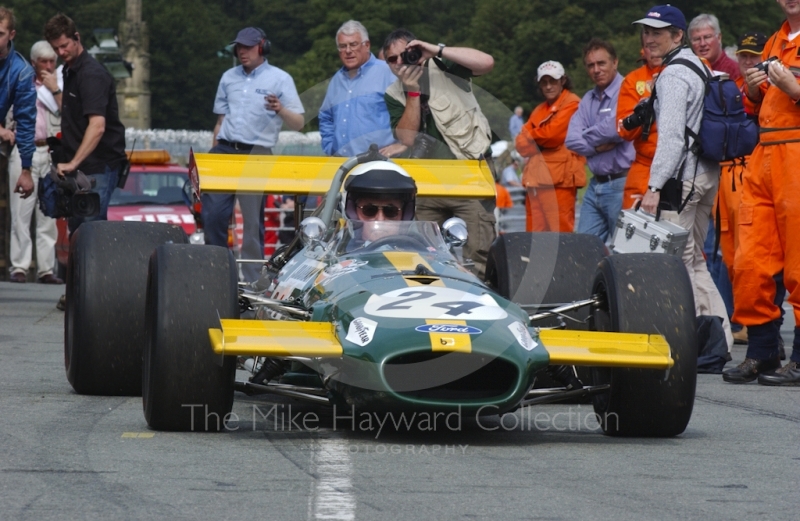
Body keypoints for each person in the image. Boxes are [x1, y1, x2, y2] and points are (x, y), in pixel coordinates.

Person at [634, 5, 734, 356]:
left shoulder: (674, 75)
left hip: (682, 181)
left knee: (678, 265)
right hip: (707, 173)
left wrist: (654, 186)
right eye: (646, 32)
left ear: (677, 35)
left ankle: (689, 342)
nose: (649, 38)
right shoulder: (699, 64)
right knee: (695, 260)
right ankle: (720, 338)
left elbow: (672, 139)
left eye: (657, 32)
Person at [724, 0, 800, 385]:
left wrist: (796, 89)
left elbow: (791, 94)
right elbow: (756, 106)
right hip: (764, 154)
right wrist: (754, 92)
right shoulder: (772, 41)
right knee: (749, 259)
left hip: (797, 152)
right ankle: (763, 351)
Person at [382, 29, 495, 277]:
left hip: (469, 171)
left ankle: (481, 305)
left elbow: (487, 63)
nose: (400, 62)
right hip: (427, 179)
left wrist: (436, 49)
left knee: (479, 251)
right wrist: (412, 91)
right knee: (423, 252)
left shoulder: (444, 66)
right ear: (386, 62)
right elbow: (407, 137)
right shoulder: (393, 93)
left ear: (416, 50)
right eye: (392, 59)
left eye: (406, 54)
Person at [204, 27, 304, 282]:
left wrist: (280, 108)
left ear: (262, 47)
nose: (241, 52)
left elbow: (299, 123)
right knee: (213, 216)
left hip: (258, 153)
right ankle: (215, 273)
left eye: (247, 47)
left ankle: (250, 281)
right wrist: (212, 154)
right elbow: (220, 121)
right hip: (225, 149)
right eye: (239, 47)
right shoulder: (228, 77)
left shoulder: (280, 79)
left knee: (251, 223)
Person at [44, 13, 126, 233]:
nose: (61, 53)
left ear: (77, 38)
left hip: (97, 164)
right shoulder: (70, 71)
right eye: (56, 49)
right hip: (80, 166)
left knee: (91, 232)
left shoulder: (91, 75)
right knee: (79, 233)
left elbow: (97, 126)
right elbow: (72, 113)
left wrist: (72, 163)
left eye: (64, 46)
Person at [566, 39, 634, 242]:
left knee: (624, 252)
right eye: (591, 65)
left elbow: (617, 128)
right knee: (582, 250)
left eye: (601, 63)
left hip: (622, 183)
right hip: (595, 185)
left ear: (615, 62)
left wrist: (587, 133)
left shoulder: (627, 90)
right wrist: (597, 146)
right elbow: (570, 139)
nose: (596, 70)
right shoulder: (588, 98)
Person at [7, 41, 63, 284]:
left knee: (49, 213)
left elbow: (70, 114)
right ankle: (19, 266)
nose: (49, 66)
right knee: (20, 212)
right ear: (34, 62)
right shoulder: (20, 82)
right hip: (23, 149)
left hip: (50, 151)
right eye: (44, 61)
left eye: (52, 61)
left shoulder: (60, 86)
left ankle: (46, 269)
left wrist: (54, 90)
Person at [516, 60, 585, 232]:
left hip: (559, 182)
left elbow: (553, 136)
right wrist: (540, 140)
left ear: (563, 80)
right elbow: (520, 145)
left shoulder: (572, 103)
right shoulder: (539, 109)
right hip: (535, 181)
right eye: (544, 82)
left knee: (560, 234)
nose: (548, 86)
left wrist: (531, 135)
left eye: (552, 81)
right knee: (533, 238)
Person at [319, 20, 404, 157]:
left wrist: (403, 144)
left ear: (367, 45)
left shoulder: (388, 73)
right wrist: (330, 147)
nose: (348, 51)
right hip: (340, 165)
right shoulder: (336, 80)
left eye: (353, 44)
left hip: (379, 165)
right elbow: (325, 117)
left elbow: (411, 111)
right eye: (342, 46)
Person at [616, 44, 663, 210]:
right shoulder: (632, 80)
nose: (655, 48)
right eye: (650, 43)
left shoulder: (686, 70)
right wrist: (645, 113)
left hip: (680, 166)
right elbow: (623, 128)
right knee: (632, 228)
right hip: (643, 165)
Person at [0, 7, 36, 212]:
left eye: (0, 34)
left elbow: (25, 121)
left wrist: (26, 168)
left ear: (11, 35)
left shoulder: (21, 72)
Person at [342, 161, 417, 243]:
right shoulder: (334, 250)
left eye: (391, 211)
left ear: (405, 214)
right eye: (369, 210)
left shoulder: (421, 251)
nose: (380, 219)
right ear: (352, 212)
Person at [688, 14, 740, 80]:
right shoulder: (689, 70)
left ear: (719, 38)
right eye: (697, 39)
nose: (702, 43)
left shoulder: (734, 71)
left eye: (707, 37)